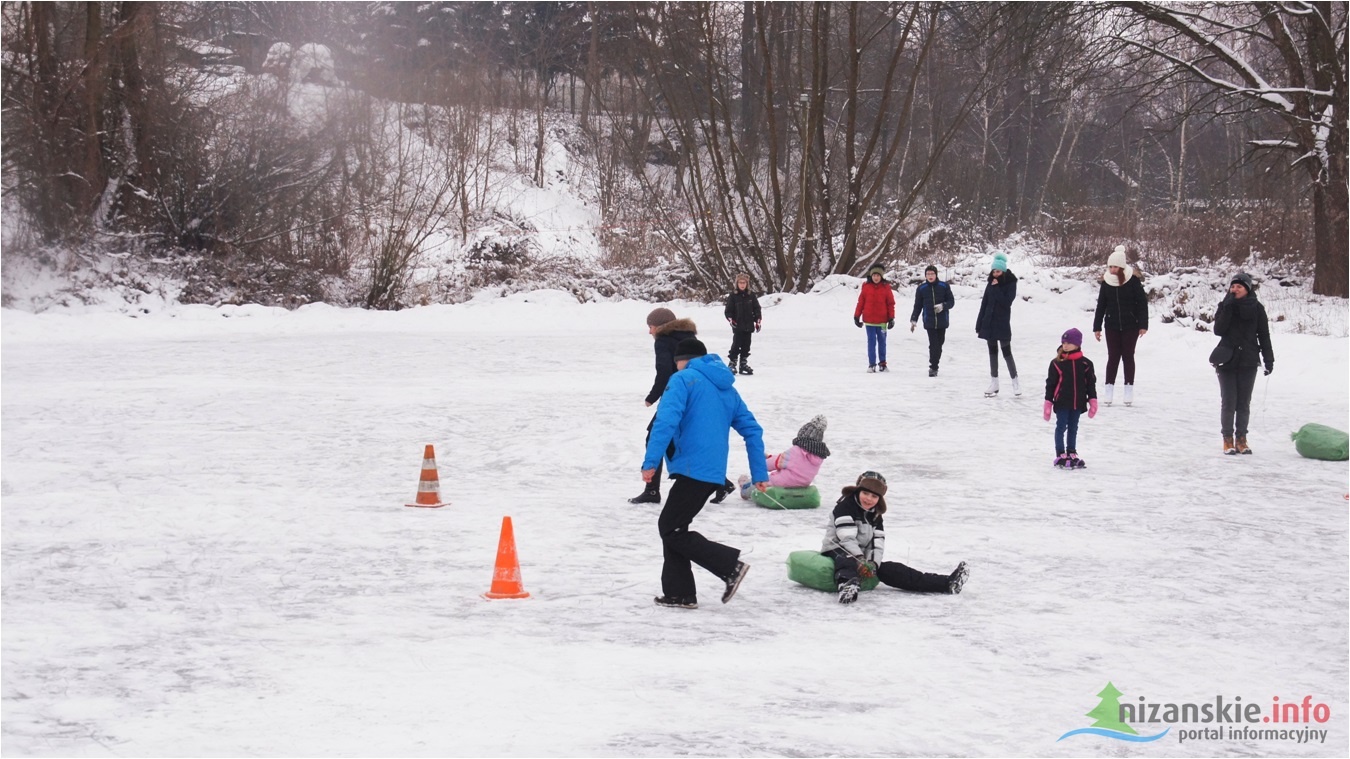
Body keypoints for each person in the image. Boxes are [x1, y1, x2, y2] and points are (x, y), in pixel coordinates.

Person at [642, 338, 769, 608]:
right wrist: (759, 474)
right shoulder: (726, 388)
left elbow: (665, 421)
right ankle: (680, 593)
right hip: (711, 472)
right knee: (675, 527)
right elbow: (752, 431)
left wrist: (651, 462)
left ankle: (729, 566)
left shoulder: (683, 379)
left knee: (670, 528)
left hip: (692, 468)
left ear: (681, 360)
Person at [822, 471, 969, 604]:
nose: (869, 499)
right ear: (858, 490)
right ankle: (848, 587)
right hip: (837, 548)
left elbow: (877, 543)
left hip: (863, 557)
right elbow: (846, 538)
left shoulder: (876, 516)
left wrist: (873, 563)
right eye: (866, 493)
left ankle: (946, 583)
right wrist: (860, 558)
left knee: (893, 569)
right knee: (847, 559)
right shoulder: (844, 507)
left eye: (874, 496)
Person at [630, 307, 696, 505]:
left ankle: (651, 491)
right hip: (694, 394)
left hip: (674, 396)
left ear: (659, 327)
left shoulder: (663, 341)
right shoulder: (690, 337)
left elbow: (664, 371)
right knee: (681, 441)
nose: (649, 332)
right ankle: (721, 484)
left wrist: (653, 396)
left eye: (650, 327)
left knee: (655, 437)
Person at [1212, 272, 1274, 455]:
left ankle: (1241, 439)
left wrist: (1268, 358)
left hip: (1248, 360)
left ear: (1247, 289)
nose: (1235, 289)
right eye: (1233, 286)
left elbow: (1264, 335)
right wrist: (1228, 308)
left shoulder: (1257, 308)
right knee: (1229, 402)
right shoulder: (1225, 306)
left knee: (1243, 403)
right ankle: (1227, 439)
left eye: (1239, 286)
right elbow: (1218, 330)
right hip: (1227, 360)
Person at [1092, 245, 1149, 406]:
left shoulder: (1133, 282)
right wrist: (1097, 327)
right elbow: (1101, 305)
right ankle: (1109, 389)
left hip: (1131, 325)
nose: (1112, 269)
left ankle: (1128, 389)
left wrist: (1143, 325)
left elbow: (1142, 304)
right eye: (1110, 266)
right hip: (1112, 325)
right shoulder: (1106, 283)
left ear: (1122, 267)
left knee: (1128, 356)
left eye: (1115, 266)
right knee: (1113, 356)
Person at [1042, 328, 1099, 469]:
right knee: (1061, 427)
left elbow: (1090, 384)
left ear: (1077, 344)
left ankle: (1071, 452)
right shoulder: (1057, 363)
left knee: (1073, 427)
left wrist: (1092, 400)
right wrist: (1048, 403)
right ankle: (1060, 453)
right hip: (1062, 401)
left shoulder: (1086, 364)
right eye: (1063, 342)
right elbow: (1051, 384)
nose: (1065, 345)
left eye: (1068, 342)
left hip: (1078, 402)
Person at [737, 414, 830, 499]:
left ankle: (745, 488)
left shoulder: (796, 451)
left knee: (760, 481)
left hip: (782, 482)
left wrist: (761, 462)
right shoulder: (818, 457)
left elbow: (775, 463)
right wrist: (770, 456)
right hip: (803, 484)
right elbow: (788, 461)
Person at [976, 252, 1020, 397]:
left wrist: (996, 289)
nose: (996, 274)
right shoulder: (990, 284)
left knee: (1007, 353)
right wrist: (979, 322)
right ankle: (994, 382)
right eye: (994, 271)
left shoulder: (1010, 284)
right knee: (992, 353)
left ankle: (1015, 382)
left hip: (1002, 324)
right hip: (988, 323)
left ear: (1004, 271)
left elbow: (1007, 302)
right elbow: (984, 304)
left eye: (998, 271)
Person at [909, 264, 955, 377]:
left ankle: (935, 363)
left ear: (936, 275)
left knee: (939, 344)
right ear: (925, 276)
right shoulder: (921, 288)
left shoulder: (944, 286)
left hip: (942, 320)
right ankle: (933, 367)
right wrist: (914, 319)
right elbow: (918, 305)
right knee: (934, 344)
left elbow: (951, 302)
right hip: (929, 320)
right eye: (928, 274)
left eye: (932, 274)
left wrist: (943, 306)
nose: (930, 276)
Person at [854, 264, 896, 373]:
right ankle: (871, 364)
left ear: (881, 276)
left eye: (878, 275)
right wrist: (856, 316)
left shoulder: (886, 287)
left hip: (882, 321)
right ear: (871, 276)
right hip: (869, 321)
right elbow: (861, 302)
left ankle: (882, 363)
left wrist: (891, 318)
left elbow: (890, 304)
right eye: (874, 275)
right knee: (871, 342)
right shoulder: (866, 286)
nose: (876, 278)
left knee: (882, 342)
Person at [723, 272, 762, 376]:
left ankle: (743, 364)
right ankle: (732, 363)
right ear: (737, 283)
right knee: (736, 345)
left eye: (744, 282)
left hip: (748, 326)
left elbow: (757, 308)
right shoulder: (733, 296)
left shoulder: (751, 295)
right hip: (738, 326)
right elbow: (728, 311)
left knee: (746, 345)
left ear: (747, 283)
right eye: (740, 282)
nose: (742, 284)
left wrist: (758, 320)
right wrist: (731, 319)